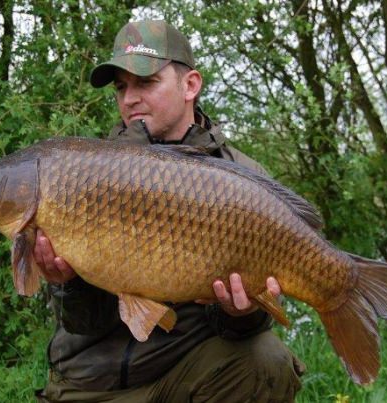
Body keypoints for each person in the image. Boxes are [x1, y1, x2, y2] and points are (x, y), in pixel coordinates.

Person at [35, 20, 304, 402]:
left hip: (187, 376)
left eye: (145, 83)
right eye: (121, 87)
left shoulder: (246, 181)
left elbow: (250, 324)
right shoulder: (85, 174)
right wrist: (67, 282)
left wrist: (240, 312)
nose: (129, 99)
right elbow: (82, 324)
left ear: (190, 85)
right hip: (92, 383)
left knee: (266, 360)